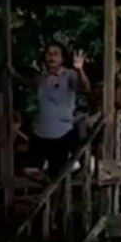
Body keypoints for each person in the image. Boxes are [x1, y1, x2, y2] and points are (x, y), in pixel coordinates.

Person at [11, 41, 91, 180]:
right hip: (41, 132)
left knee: (57, 173)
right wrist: (12, 73)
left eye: (55, 54)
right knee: (30, 169)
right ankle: (47, 183)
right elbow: (28, 83)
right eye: (48, 54)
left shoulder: (69, 74)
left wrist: (79, 70)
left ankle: (58, 194)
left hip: (62, 132)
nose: (51, 58)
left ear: (62, 58)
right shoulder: (42, 77)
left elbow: (84, 87)